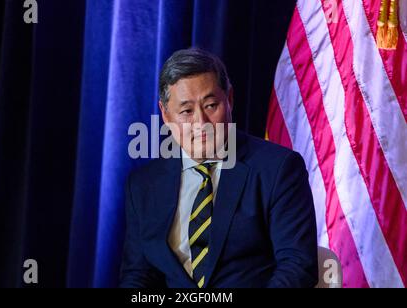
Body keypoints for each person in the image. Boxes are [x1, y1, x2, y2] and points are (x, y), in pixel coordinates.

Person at [120, 48, 318, 288]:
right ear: (166, 114)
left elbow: (297, 266)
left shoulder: (278, 169)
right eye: (186, 111)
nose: (201, 123)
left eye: (211, 105)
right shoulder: (143, 185)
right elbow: (138, 277)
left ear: (229, 99)